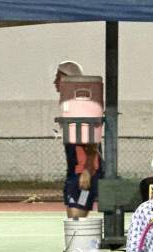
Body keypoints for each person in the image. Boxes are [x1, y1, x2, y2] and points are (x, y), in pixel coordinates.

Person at [54, 60, 102, 219]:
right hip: (75, 172)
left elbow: (91, 142)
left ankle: (81, 244)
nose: (55, 82)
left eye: (58, 77)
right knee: (74, 220)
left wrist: (87, 171)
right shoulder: (70, 106)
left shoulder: (80, 107)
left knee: (76, 221)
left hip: (83, 171)